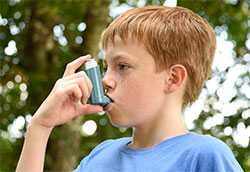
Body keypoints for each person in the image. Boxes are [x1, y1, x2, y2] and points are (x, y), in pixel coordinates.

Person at [16, 5, 244, 172]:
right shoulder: (100, 156)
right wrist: (40, 127)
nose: (105, 80)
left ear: (173, 78)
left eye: (122, 66)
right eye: (106, 67)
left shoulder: (204, 156)